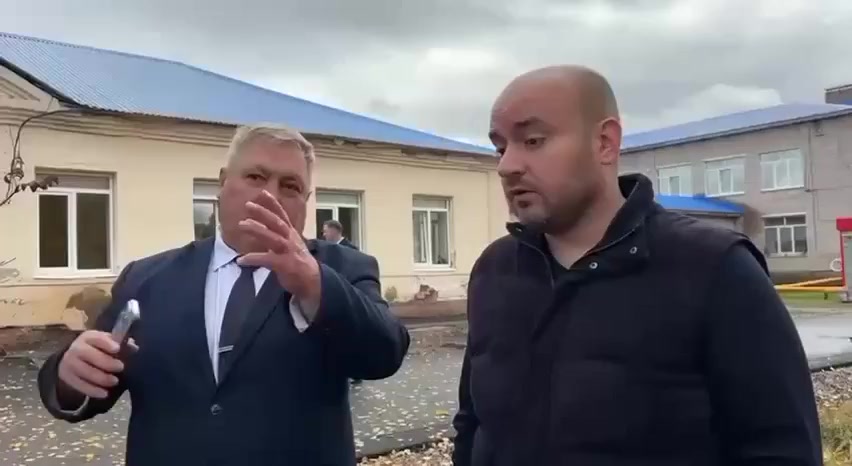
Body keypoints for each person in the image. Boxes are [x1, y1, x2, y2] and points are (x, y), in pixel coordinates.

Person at [452, 65, 821, 466]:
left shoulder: (713, 267)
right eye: (500, 148)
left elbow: (782, 449)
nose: (507, 165)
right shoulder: (494, 270)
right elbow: (473, 425)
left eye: (533, 140)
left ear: (605, 143)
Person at [38, 124, 411, 466]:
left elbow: (384, 353)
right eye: (255, 177)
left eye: (290, 186)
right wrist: (69, 374)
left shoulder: (341, 268)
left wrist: (314, 284)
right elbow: (94, 377)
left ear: (307, 201)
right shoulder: (148, 279)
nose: (270, 195)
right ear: (222, 183)